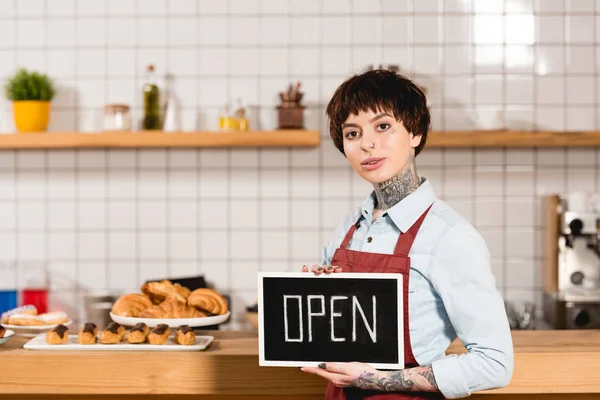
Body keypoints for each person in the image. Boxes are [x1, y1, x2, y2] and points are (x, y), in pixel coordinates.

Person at [300, 70, 514, 399]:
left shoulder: (449, 236)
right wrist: (318, 295)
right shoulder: (350, 226)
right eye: (352, 133)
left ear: (415, 132)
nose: (367, 143)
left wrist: (373, 379)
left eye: (383, 126)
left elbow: (494, 363)